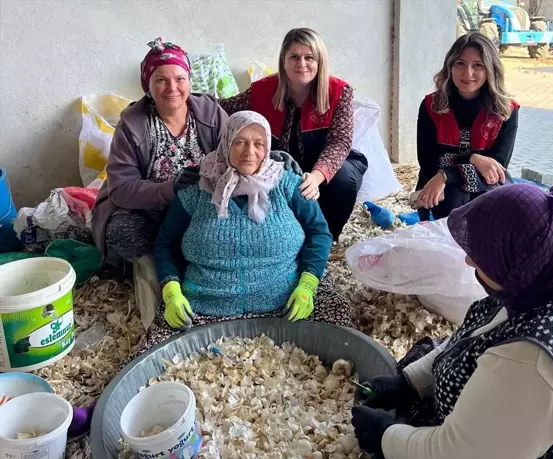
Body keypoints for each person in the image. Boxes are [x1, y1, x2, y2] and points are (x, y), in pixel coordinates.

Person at [351, 184, 553, 459]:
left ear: (519, 264)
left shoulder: (535, 363)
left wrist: (386, 437)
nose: (469, 260)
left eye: (483, 252)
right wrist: (409, 382)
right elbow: (476, 334)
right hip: (520, 429)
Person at [137, 111, 355, 354]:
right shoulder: (197, 190)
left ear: (268, 147)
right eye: (240, 142)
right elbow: (165, 243)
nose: (249, 152)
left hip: (286, 302)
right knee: (157, 359)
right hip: (206, 306)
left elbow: (319, 233)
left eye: (258, 143)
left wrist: (308, 284)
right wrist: (171, 290)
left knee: (343, 345)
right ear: (226, 142)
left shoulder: (288, 184)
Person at [91, 38, 299, 267]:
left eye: (180, 79)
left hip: (202, 203)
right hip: (151, 210)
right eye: (161, 80)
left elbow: (237, 149)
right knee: (126, 233)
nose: (172, 88)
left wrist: (271, 161)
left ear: (189, 81)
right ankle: (158, 267)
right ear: (147, 85)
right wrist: (169, 189)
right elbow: (121, 189)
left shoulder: (208, 112)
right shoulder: (133, 124)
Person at [219, 28, 368, 241]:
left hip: (325, 161)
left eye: (309, 57)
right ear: (283, 60)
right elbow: (224, 107)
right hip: (283, 160)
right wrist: (185, 99)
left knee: (343, 180)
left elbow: (340, 141)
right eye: (294, 57)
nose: (302, 64)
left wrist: (318, 176)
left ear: (320, 61)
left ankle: (326, 237)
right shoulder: (263, 89)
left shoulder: (339, 92)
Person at [415, 32, 519, 221]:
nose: (467, 73)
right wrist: (473, 158)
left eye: (477, 65)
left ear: (490, 69)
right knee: (454, 198)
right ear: (450, 66)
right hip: (439, 182)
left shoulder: (506, 110)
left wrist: (447, 173)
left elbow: (496, 168)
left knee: (493, 206)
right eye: (460, 64)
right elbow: (429, 162)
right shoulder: (431, 106)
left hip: (484, 182)